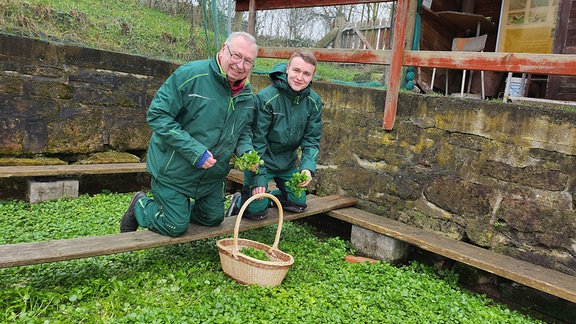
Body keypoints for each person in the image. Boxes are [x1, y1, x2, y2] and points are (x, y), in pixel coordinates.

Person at [120, 31, 259, 236]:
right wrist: (194, 151)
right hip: (174, 171)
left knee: (212, 219)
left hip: (211, 176)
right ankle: (140, 205)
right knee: (175, 226)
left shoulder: (248, 96)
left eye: (248, 61)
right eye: (236, 56)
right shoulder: (191, 75)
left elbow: (244, 130)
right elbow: (158, 115)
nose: (240, 65)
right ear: (223, 49)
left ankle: (180, 212)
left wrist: (247, 151)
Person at [231, 51, 322, 220]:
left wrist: (307, 168)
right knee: (256, 212)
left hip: (287, 163)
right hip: (262, 160)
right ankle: (240, 201)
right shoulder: (267, 98)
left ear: (312, 76)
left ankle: (269, 198)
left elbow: (312, 139)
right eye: (296, 70)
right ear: (287, 69)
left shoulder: (313, 102)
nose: (300, 77)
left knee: (298, 204)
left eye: (306, 74)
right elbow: (257, 140)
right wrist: (258, 178)